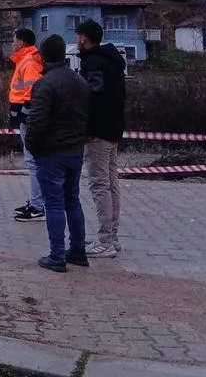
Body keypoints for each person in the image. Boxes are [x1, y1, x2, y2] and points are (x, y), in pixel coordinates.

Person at [26, 35, 90, 273]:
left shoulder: (44, 84)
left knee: (54, 203)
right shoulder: (79, 81)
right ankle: (78, 250)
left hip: (52, 152)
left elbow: (38, 121)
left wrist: (33, 145)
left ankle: (57, 254)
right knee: (73, 200)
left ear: (43, 56)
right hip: (75, 150)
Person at [75, 20, 126, 258]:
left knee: (99, 184)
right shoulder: (113, 61)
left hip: (98, 131)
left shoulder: (93, 63)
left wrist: (86, 125)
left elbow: (93, 97)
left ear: (84, 38)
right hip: (114, 128)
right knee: (110, 182)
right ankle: (112, 237)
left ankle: (105, 240)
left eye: (78, 37)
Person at [8, 28, 46, 223]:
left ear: (21, 42)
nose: (12, 43)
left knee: (33, 163)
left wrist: (22, 113)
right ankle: (37, 202)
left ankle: (38, 206)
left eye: (14, 40)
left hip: (28, 119)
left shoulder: (29, 61)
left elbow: (32, 91)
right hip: (25, 115)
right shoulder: (26, 59)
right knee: (34, 162)